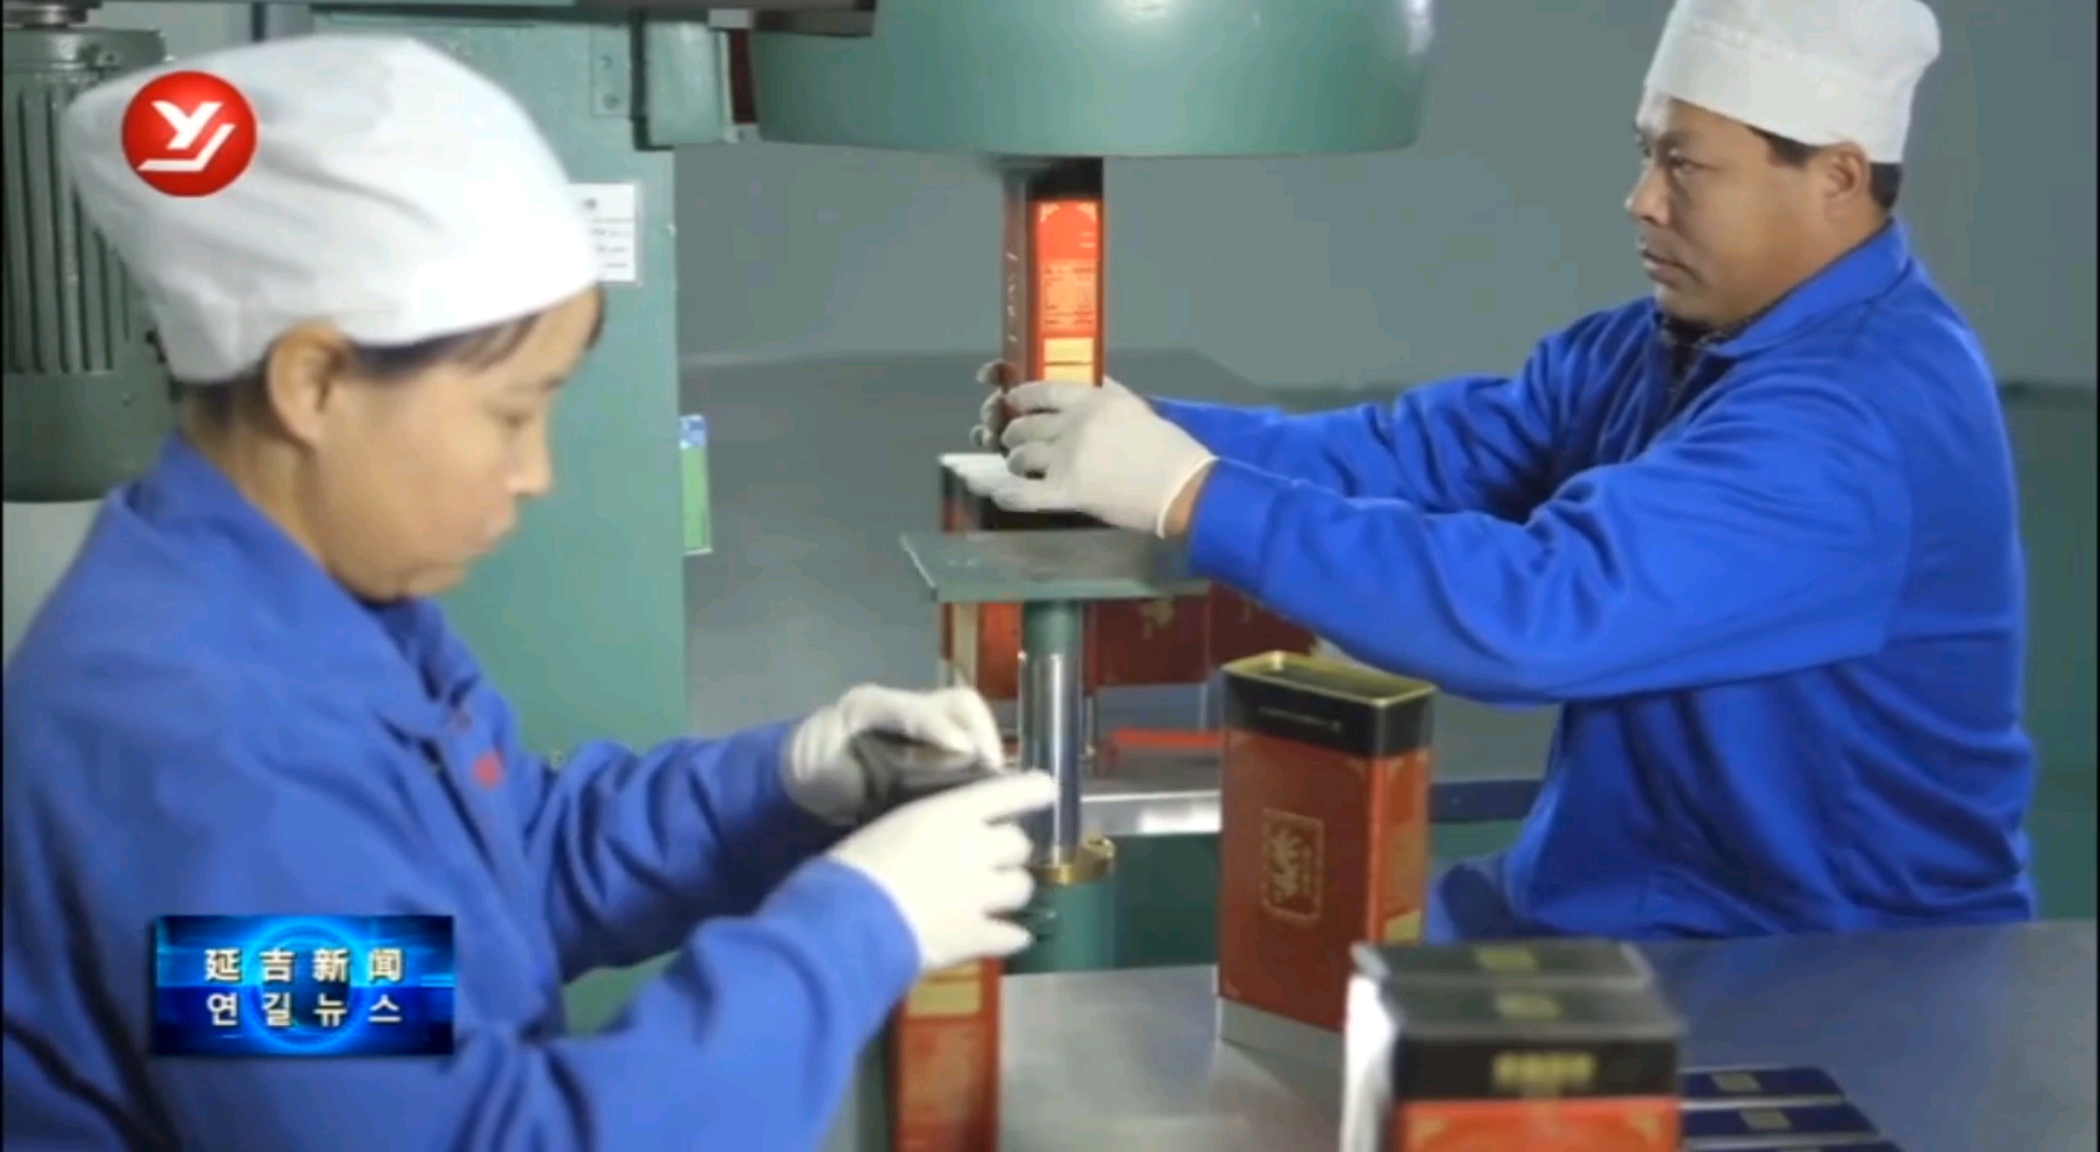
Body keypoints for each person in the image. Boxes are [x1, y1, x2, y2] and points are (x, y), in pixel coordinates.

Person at [3, 34, 1055, 1150]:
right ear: (313, 383)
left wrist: (781, 785)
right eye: (510, 412)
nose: (535, 470)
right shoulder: (200, 750)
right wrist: (856, 931)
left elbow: (500, 879)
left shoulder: (324, 611)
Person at [971, 0, 2039, 942]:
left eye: (1685, 165)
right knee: (1286, 1006)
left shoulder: (1854, 421)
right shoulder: (1659, 347)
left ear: (1837, 178)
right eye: (1645, 154)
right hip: (1612, 902)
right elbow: (1412, 458)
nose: (1641, 199)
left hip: (1819, 954)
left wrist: (1189, 492)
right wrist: (1142, 431)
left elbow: (1538, 612)